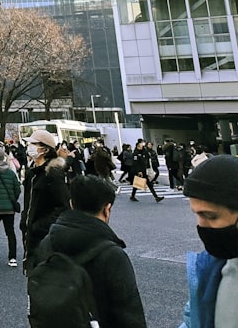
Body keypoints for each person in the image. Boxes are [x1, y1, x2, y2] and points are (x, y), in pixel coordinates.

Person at [35, 174, 148, 328]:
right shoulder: (112, 255)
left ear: (71, 204)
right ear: (107, 209)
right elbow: (130, 316)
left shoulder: (47, 242)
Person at [180, 154, 238, 328]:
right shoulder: (209, 265)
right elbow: (192, 321)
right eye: (197, 215)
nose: (201, 226)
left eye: (211, 216)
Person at [20, 128, 70, 270]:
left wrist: (38, 226)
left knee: (42, 276)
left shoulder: (52, 173)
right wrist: (24, 221)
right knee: (31, 274)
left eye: (34, 144)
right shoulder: (32, 172)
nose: (30, 148)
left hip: (44, 236)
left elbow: (63, 206)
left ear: (45, 149)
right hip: (29, 235)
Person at [129, 138, 164, 203]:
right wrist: (139, 171)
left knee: (139, 184)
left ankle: (133, 196)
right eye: (140, 146)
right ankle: (156, 197)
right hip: (139, 171)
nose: (142, 147)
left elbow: (147, 158)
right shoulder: (135, 154)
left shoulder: (143, 152)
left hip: (143, 170)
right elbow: (135, 163)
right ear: (137, 146)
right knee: (141, 184)